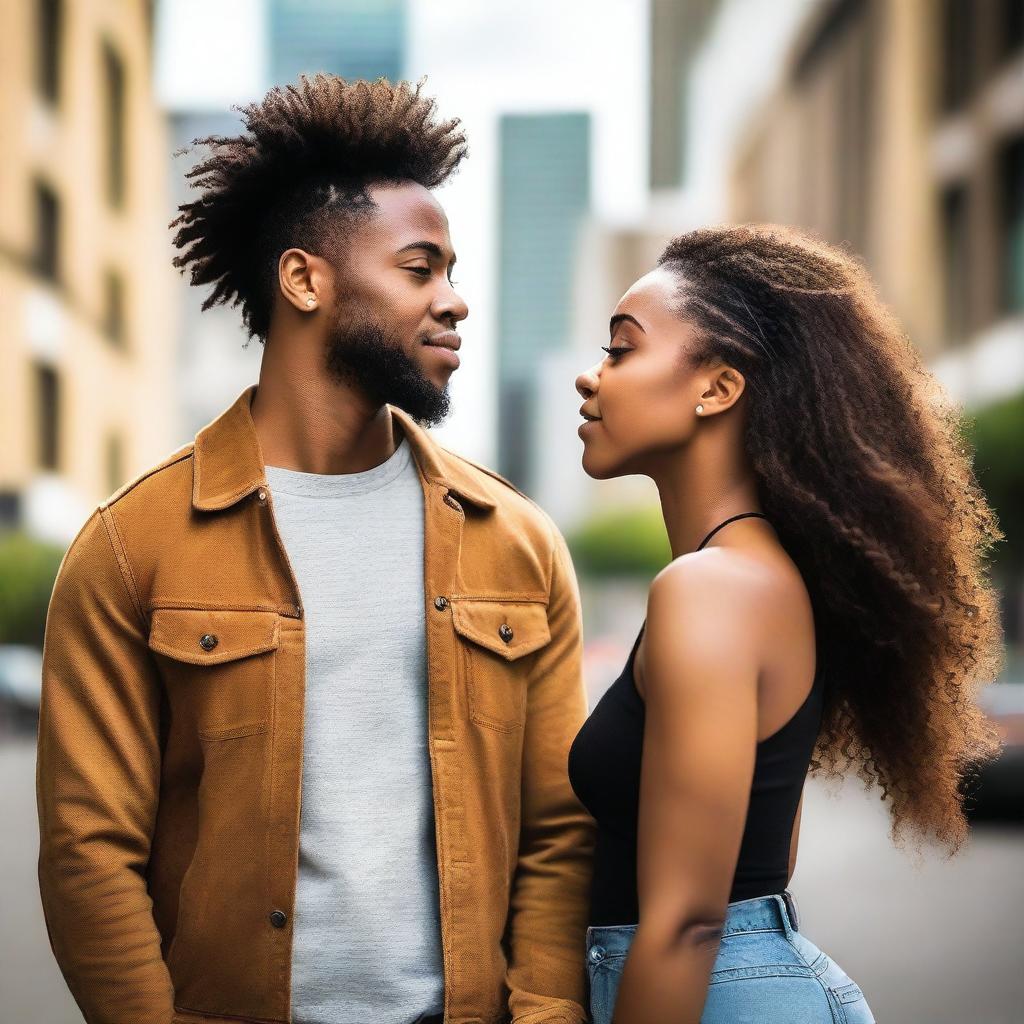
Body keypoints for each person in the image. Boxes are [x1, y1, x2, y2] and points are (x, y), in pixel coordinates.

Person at [36, 74, 594, 1024]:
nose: (455, 302)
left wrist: (542, 1013)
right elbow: (90, 848)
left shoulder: (518, 545)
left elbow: (558, 835)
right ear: (304, 279)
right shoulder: (133, 547)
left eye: (454, 273)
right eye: (421, 269)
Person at [567, 224, 1003, 1024]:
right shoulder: (760, 580)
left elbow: (693, 921)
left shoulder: (713, 589)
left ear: (718, 388)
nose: (588, 378)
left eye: (621, 350)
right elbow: (760, 866)